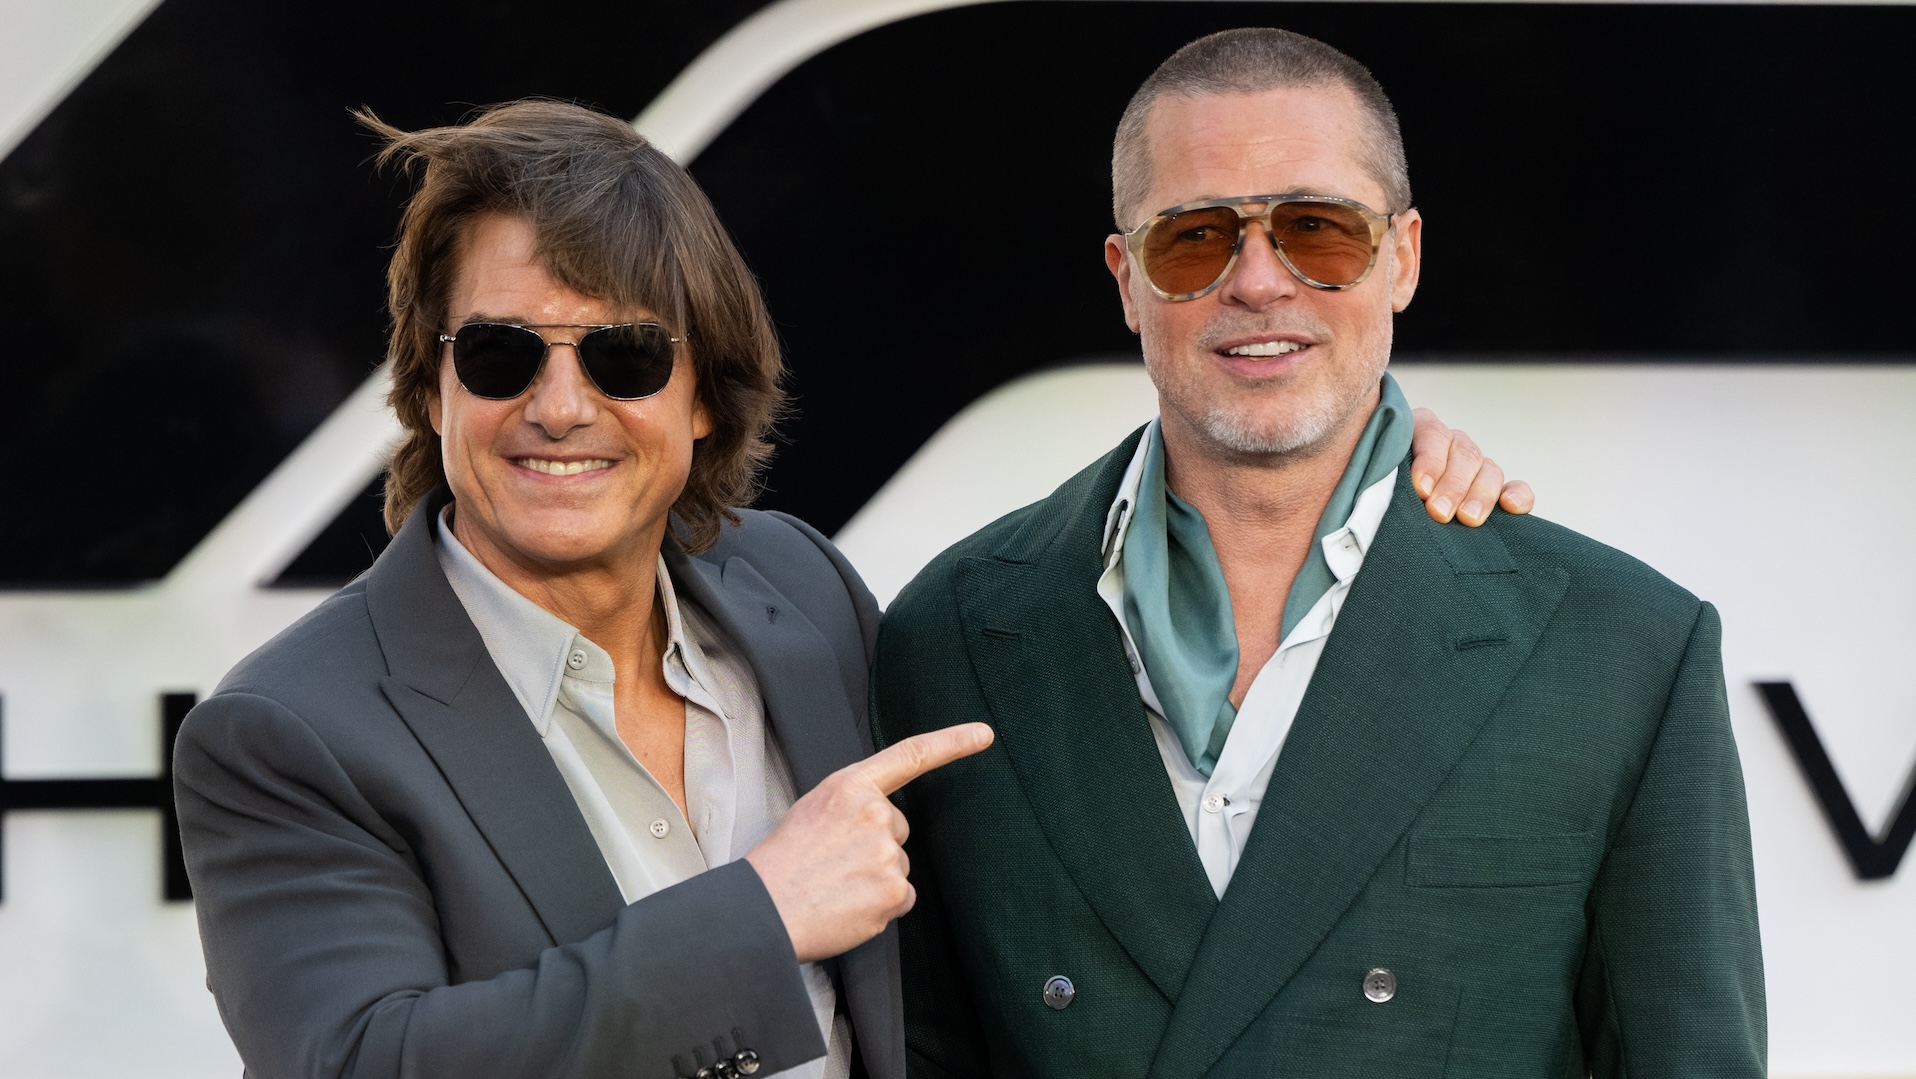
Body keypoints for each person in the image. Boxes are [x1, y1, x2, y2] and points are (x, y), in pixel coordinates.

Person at [174, 101, 1526, 1079]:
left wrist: (1380, 476)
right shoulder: (291, 731)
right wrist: (758, 916)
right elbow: (357, 1061)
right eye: (504, 351)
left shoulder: (798, 590)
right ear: (427, 382)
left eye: (629, 356)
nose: (561, 405)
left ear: (706, 394)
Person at [872, 28, 1763, 1079]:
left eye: (1316, 229)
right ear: (1125, 279)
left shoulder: (1621, 646)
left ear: (1402, 257)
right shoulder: (947, 633)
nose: (1256, 281)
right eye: (1194, 237)